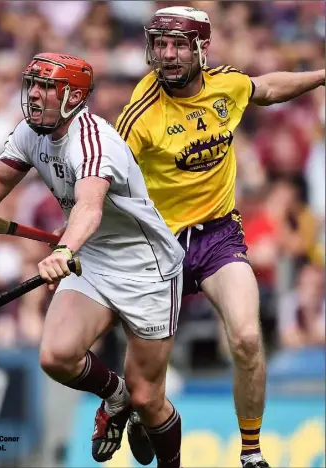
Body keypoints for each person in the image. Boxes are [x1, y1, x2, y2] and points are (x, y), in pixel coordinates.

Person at [0, 53, 186, 467]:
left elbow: (89, 208)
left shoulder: (94, 141)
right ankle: (115, 396)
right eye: (32, 84)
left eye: (46, 87)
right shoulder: (30, 133)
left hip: (146, 268)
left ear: (73, 96)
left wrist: (62, 251)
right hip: (90, 258)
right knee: (56, 356)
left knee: (150, 398)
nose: (34, 95)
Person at [116, 6, 326, 468]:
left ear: (200, 50)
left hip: (218, 237)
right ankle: (136, 409)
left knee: (249, 339)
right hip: (157, 247)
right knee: (147, 386)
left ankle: (251, 454)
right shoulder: (139, 114)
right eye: (160, 44)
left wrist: (322, 75)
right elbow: (103, 183)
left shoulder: (225, 85)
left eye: (177, 45)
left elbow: (267, 88)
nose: (167, 55)